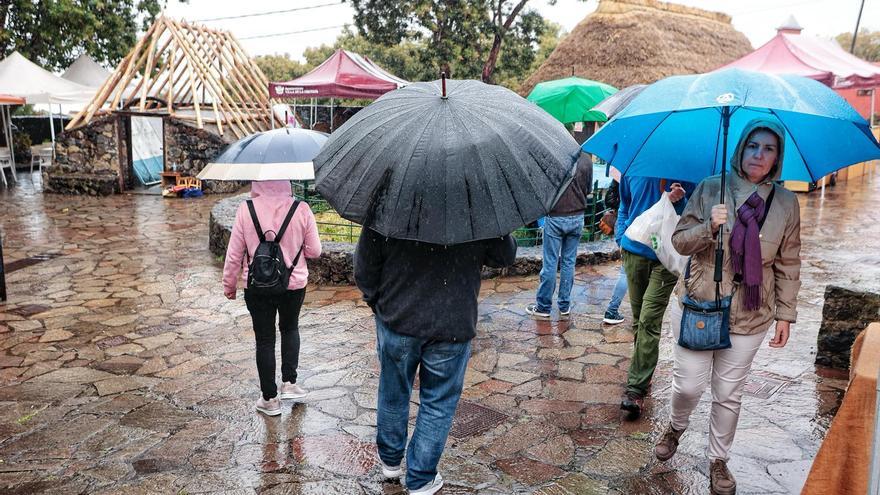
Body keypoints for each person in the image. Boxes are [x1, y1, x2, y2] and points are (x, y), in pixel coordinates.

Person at [653, 120, 800, 495]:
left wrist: (786, 313)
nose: (759, 155)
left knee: (728, 393)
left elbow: (788, 262)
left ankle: (719, 460)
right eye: (753, 145)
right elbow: (679, 242)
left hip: (751, 314)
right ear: (740, 148)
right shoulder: (710, 189)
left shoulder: (786, 203)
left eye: (768, 149)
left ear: (777, 158)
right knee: (687, 386)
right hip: (700, 305)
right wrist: (709, 229)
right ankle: (676, 425)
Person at [355, 228, 516, 494]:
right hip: (452, 322)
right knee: (438, 403)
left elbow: (365, 268)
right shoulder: (475, 206)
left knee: (393, 392)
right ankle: (420, 478)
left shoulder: (390, 201)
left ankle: (391, 462)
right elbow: (503, 256)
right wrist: (500, 228)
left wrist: (379, 305)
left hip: (398, 318)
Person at [223, 180, 322, 416]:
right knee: (290, 328)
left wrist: (230, 284)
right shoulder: (301, 208)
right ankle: (289, 383)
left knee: (265, 340)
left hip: (257, 285)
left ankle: (269, 399)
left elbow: (234, 253)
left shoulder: (246, 209)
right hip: (294, 284)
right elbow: (315, 251)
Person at [616, 175, 694, 419]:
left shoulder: (686, 172)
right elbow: (624, 205)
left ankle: (635, 389)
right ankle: (643, 371)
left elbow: (695, 218)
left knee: (649, 319)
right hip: (634, 252)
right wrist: (621, 237)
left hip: (666, 259)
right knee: (639, 318)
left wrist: (680, 202)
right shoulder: (635, 168)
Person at [525, 151, 593, 320]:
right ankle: (564, 305)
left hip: (555, 217)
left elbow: (544, 189)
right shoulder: (586, 160)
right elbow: (588, 190)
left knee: (550, 263)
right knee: (569, 263)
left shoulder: (554, 157)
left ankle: (544, 306)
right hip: (577, 217)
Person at [601, 179, 627, 325]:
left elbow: (610, 198)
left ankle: (612, 310)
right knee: (628, 273)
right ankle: (611, 311)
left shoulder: (625, 171)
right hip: (640, 229)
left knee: (627, 272)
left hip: (622, 227)